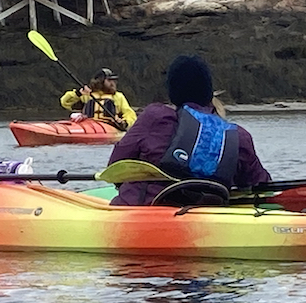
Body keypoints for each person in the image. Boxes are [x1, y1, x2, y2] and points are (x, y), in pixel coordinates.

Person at [107, 55, 271, 206]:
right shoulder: (239, 136)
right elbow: (261, 185)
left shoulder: (155, 117)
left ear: (173, 93)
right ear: (208, 93)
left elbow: (116, 168)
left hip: (144, 214)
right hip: (208, 218)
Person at [59, 68, 137, 131]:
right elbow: (65, 102)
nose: (113, 83)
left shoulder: (118, 96)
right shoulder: (87, 95)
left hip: (110, 126)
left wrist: (124, 122)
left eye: (114, 81)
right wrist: (78, 93)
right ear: (100, 81)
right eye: (109, 80)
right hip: (87, 125)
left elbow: (130, 114)